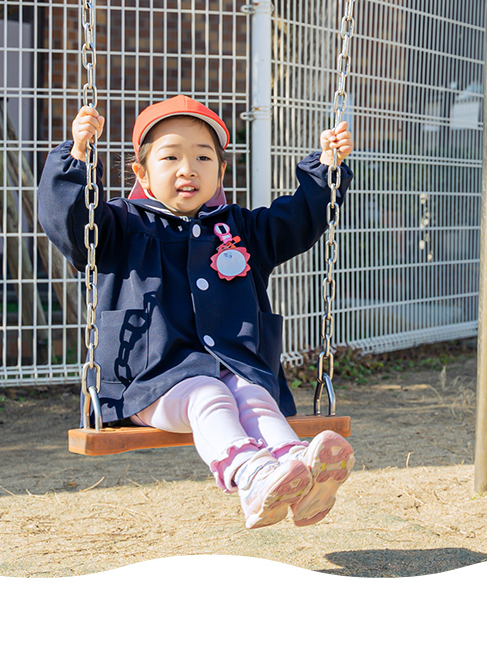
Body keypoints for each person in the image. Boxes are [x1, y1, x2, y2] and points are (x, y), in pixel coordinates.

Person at [39, 95, 355, 530]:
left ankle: (296, 466)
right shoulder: (121, 226)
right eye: (170, 157)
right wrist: (76, 157)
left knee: (253, 393)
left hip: (231, 366)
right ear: (142, 174)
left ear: (220, 172)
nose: (187, 168)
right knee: (209, 395)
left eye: (203, 157)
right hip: (150, 385)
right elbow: (70, 224)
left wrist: (328, 168)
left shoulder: (239, 230)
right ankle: (252, 475)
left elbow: (296, 221)